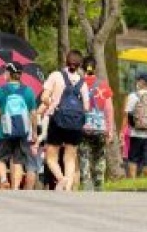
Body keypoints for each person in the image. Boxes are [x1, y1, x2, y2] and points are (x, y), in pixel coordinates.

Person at [38, 49, 91, 191]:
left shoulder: (56, 75)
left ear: (66, 61)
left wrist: (53, 105)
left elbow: (44, 97)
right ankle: (68, 187)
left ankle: (61, 179)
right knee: (70, 157)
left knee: (51, 157)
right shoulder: (83, 83)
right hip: (75, 124)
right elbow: (86, 107)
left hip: (57, 120)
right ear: (80, 65)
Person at [0, 62, 38, 190]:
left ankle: (4, 179)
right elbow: (33, 114)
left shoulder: (0, 91)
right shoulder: (28, 92)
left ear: (9, 74)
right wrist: (34, 132)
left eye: (5, 71)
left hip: (3, 131)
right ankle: (16, 188)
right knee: (18, 161)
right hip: (22, 132)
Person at [78, 55, 114, 191]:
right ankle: (99, 184)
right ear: (95, 68)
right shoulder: (103, 85)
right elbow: (109, 108)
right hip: (100, 127)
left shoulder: (79, 84)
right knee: (100, 156)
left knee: (84, 155)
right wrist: (109, 130)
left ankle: (86, 184)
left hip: (83, 127)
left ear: (83, 68)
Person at [123, 73, 147, 178]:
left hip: (134, 133)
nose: (136, 82)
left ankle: (132, 182)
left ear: (143, 82)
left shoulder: (133, 96)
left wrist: (123, 131)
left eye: (138, 80)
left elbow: (127, 114)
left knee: (133, 158)